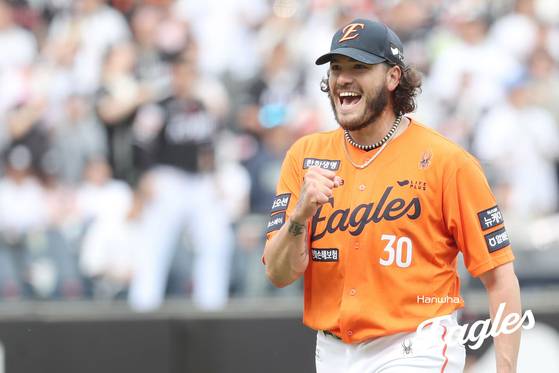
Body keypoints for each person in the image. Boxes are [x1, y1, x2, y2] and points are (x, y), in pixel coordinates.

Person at [263, 18, 521, 373]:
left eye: (360, 67)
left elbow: (500, 275)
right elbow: (278, 274)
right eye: (337, 68)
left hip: (417, 345)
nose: (343, 79)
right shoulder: (305, 156)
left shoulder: (448, 161)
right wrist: (299, 218)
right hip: (332, 351)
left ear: (393, 77)